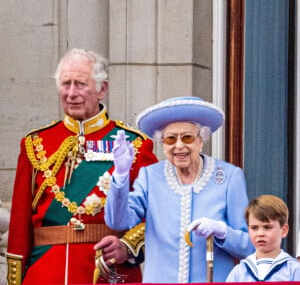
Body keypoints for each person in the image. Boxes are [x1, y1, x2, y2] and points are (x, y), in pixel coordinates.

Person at [6, 49, 158, 285]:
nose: (71, 93)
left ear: (102, 89)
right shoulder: (35, 143)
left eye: (80, 84)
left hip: (107, 272)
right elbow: (19, 225)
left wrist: (127, 247)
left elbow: (158, 211)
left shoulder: (134, 144)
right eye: (65, 84)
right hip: (45, 271)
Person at [104, 96, 254, 283]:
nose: (179, 145)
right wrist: (120, 175)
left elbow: (251, 246)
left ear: (201, 140)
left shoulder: (229, 177)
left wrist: (223, 231)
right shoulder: (150, 177)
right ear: (163, 143)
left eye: (187, 137)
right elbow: (118, 221)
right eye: (170, 139)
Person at [226, 194, 300, 282]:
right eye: (254, 228)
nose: (260, 234)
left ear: (283, 230)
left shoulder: (293, 270)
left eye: (267, 227)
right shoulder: (239, 272)